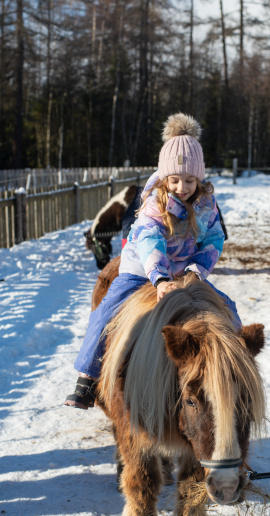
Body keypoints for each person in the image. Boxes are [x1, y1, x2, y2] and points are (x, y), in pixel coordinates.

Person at [64, 113, 241, 409]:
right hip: (143, 269)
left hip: (185, 271)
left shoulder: (206, 204)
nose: (182, 187)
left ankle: (231, 374)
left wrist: (196, 271)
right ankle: (87, 378)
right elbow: (149, 240)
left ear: (199, 178)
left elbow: (214, 238)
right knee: (107, 311)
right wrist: (158, 278)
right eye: (174, 180)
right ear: (164, 178)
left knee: (228, 309)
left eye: (189, 180)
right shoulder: (154, 204)